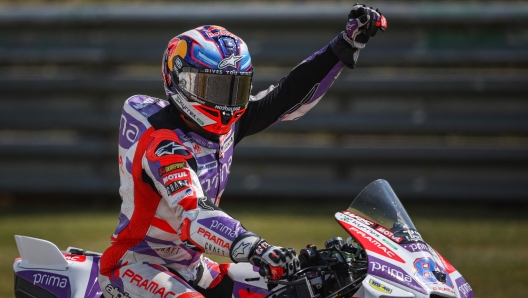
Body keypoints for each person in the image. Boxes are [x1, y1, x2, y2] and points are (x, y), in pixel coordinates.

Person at [98, 4, 386, 298]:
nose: (226, 103)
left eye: (234, 89)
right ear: (179, 80)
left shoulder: (227, 124)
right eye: (213, 87)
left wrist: (343, 46)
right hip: (136, 264)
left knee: (301, 286)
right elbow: (194, 213)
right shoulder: (163, 141)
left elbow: (286, 97)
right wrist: (258, 248)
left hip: (192, 267)